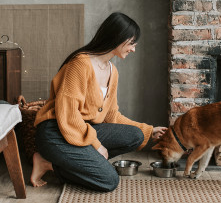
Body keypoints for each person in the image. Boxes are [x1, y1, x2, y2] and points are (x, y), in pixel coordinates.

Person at [30, 12, 168, 192]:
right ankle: (48, 163)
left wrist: (149, 130)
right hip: (55, 132)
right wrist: (96, 145)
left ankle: (70, 163)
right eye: (132, 43)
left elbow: (112, 115)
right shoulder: (80, 64)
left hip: (82, 130)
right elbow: (69, 116)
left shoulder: (113, 71)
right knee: (109, 180)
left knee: (136, 135)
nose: (133, 49)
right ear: (118, 38)